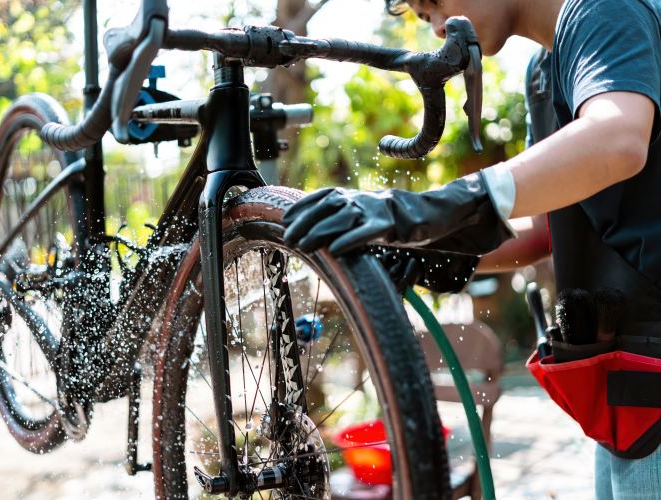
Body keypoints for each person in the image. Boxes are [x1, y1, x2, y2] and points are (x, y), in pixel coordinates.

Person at [282, 0, 661, 497]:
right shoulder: (544, 70)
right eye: (424, 18)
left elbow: (618, 138)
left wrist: (448, 203)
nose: (439, 28)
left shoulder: (605, 10)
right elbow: (547, 227)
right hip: (626, 386)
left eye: (435, 3)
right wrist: (435, 247)